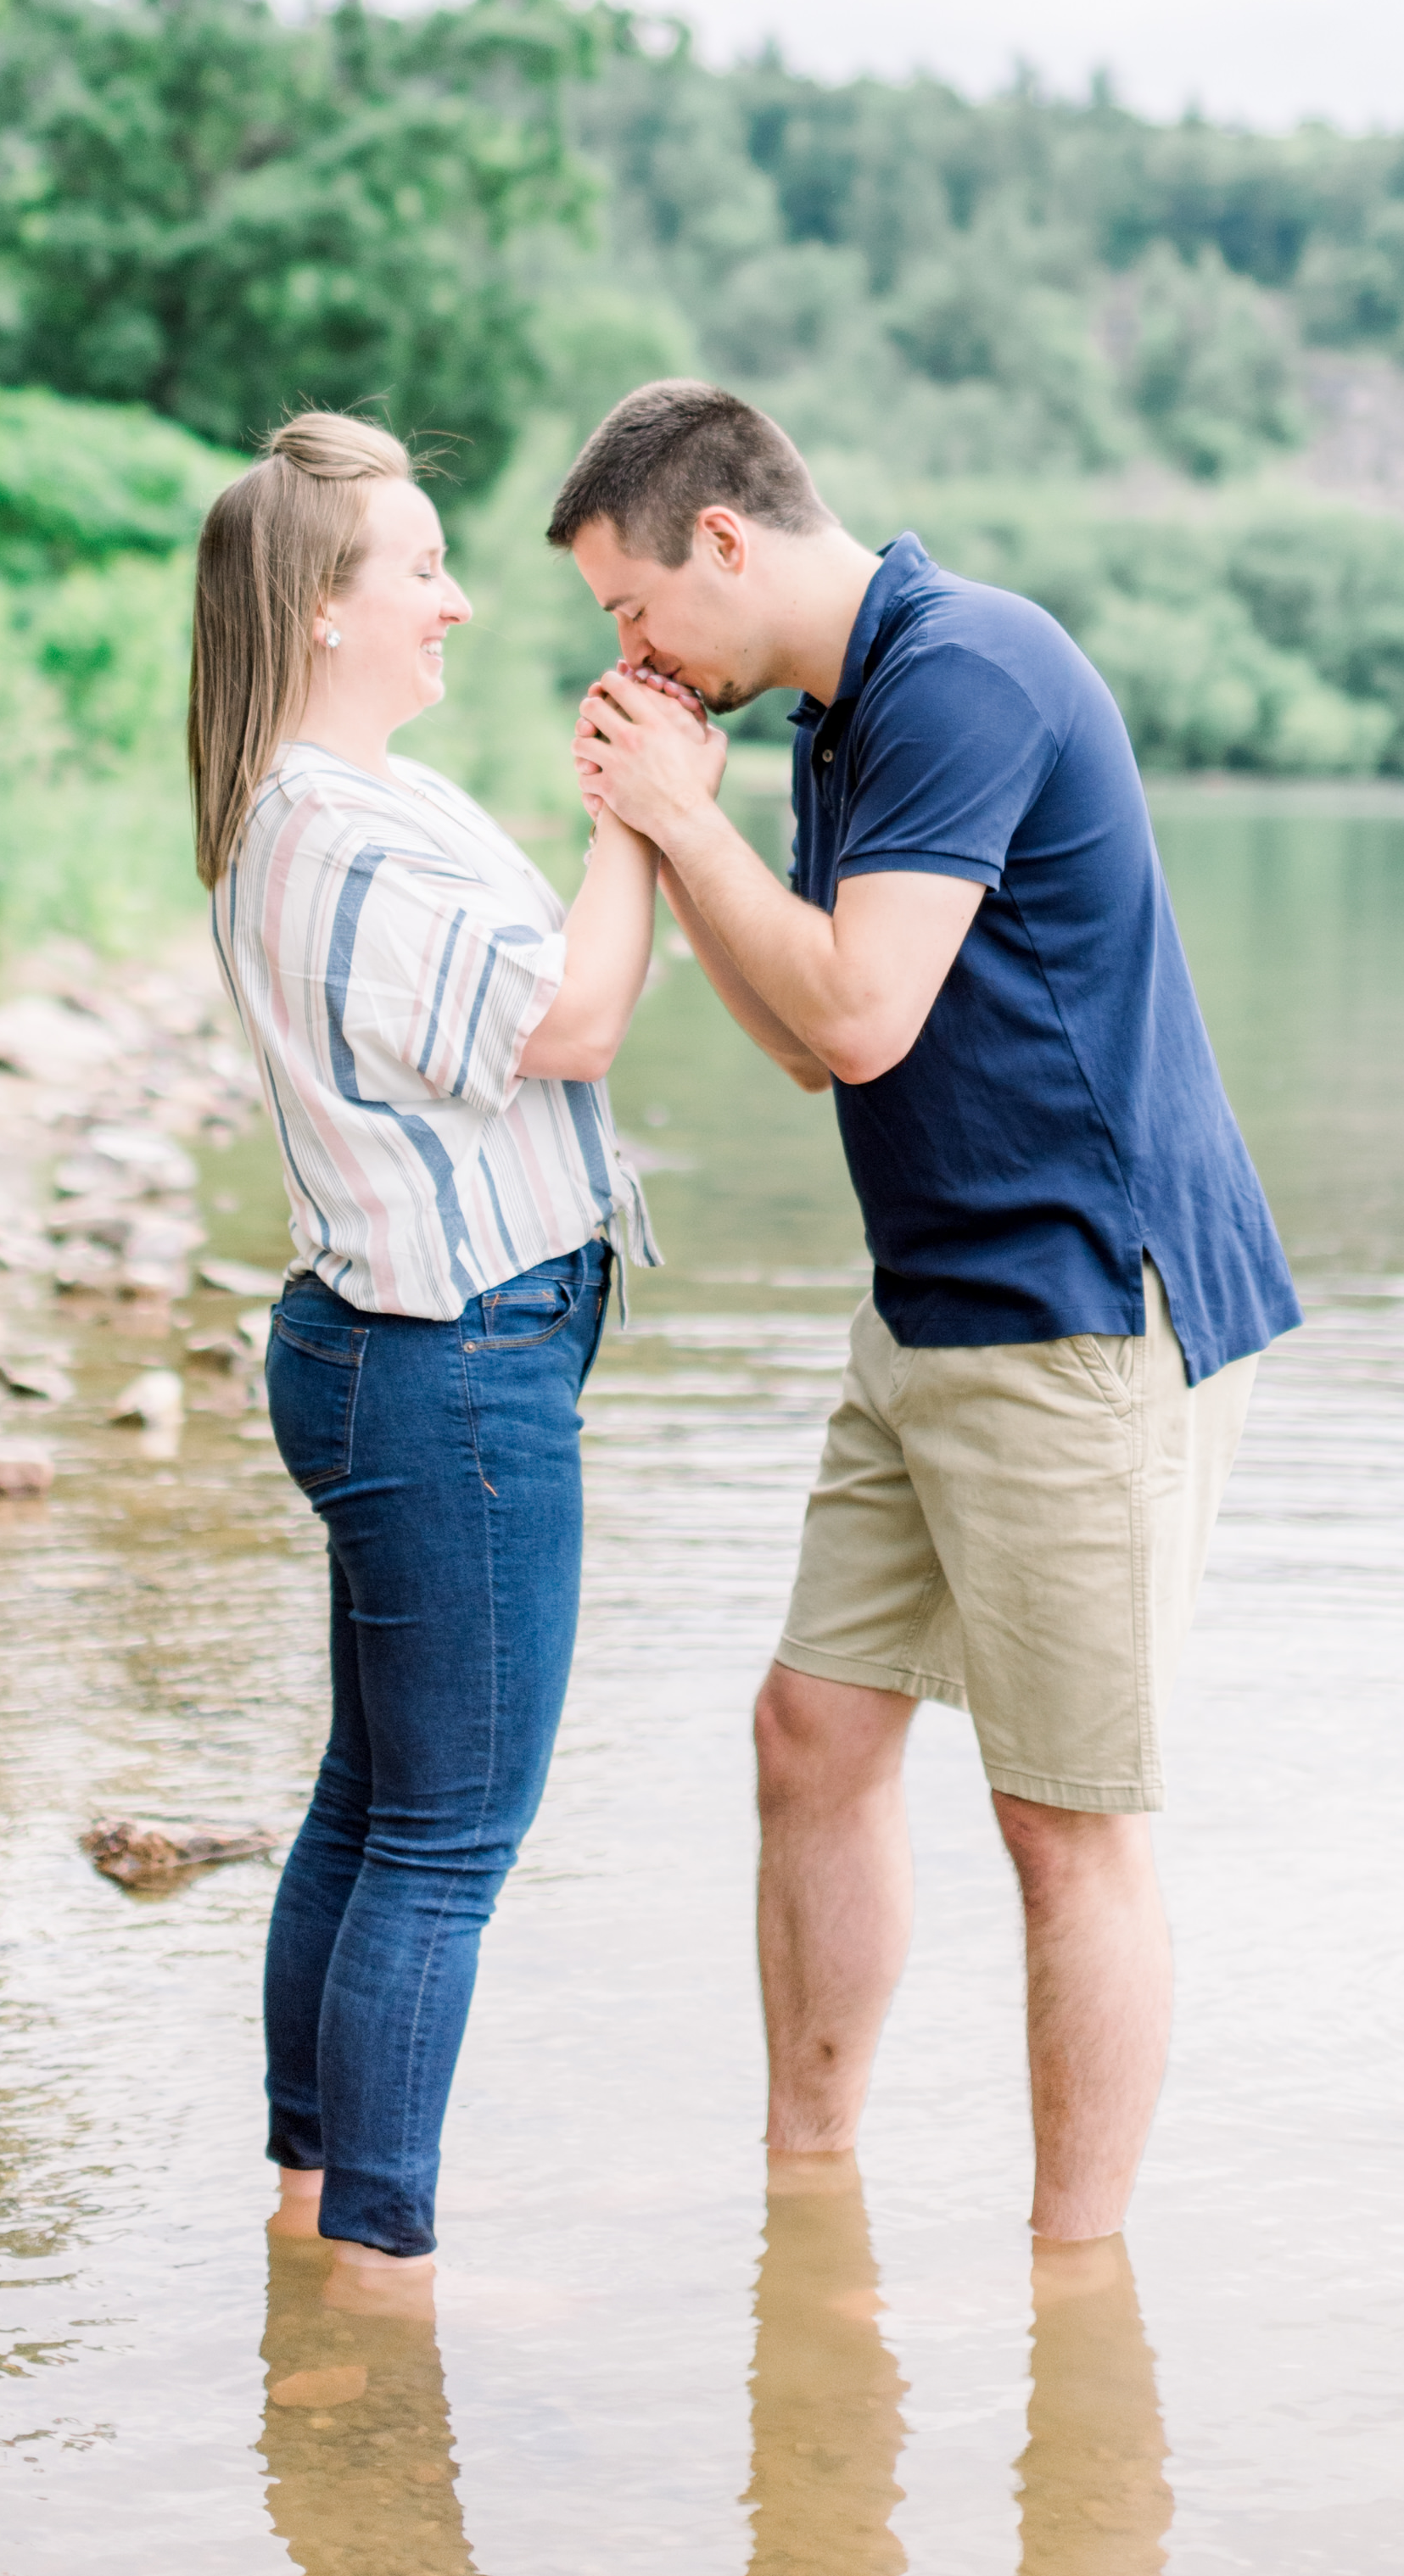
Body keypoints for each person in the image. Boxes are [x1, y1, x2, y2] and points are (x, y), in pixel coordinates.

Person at [551, 378, 1299, 2249]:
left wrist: (674, 819)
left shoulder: (964, 669)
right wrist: (671, 831)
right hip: (929, 1310)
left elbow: (864, 1007)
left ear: (721, 539)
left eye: (632, 608)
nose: (631, 650)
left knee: (1066, 1824)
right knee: (809, 1733)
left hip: (1074, 1316)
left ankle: (1076, 2280)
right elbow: (811, 1046)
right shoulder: (840, 713)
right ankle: (809, 2196)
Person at [191, 411, 678, 2305]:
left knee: (371, 1808)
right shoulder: (336, 828)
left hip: (400, 1346)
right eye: (419, 568)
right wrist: (639, 816)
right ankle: (373, 2279)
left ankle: (312, 2219)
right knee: (446, 1843)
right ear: (325, 607)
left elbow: (548, 995)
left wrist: (609, 832)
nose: (456, 598)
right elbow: (570, 1018)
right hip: (447, 1365)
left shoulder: (326, 799)